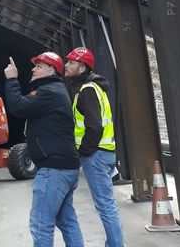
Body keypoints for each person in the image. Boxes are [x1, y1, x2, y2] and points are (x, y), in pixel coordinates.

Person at [4, 52, 83, 247]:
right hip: (65, 166)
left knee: (41, 224)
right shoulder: (55, 90)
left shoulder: (49, 92)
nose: (33, 69)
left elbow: (18, 106)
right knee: (67, 221)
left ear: (51, 70)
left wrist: (12, 79)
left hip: (54, 168)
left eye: (38, 66)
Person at [64, 47, 124, 247]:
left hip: (96, 155)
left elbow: (94, 126)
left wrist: (84, 152)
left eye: (71, 63)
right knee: (108, 205)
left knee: (105, 206)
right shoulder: (95, 88)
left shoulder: (87, 90)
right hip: (105, 152)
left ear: (82, 68)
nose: (66, 65)